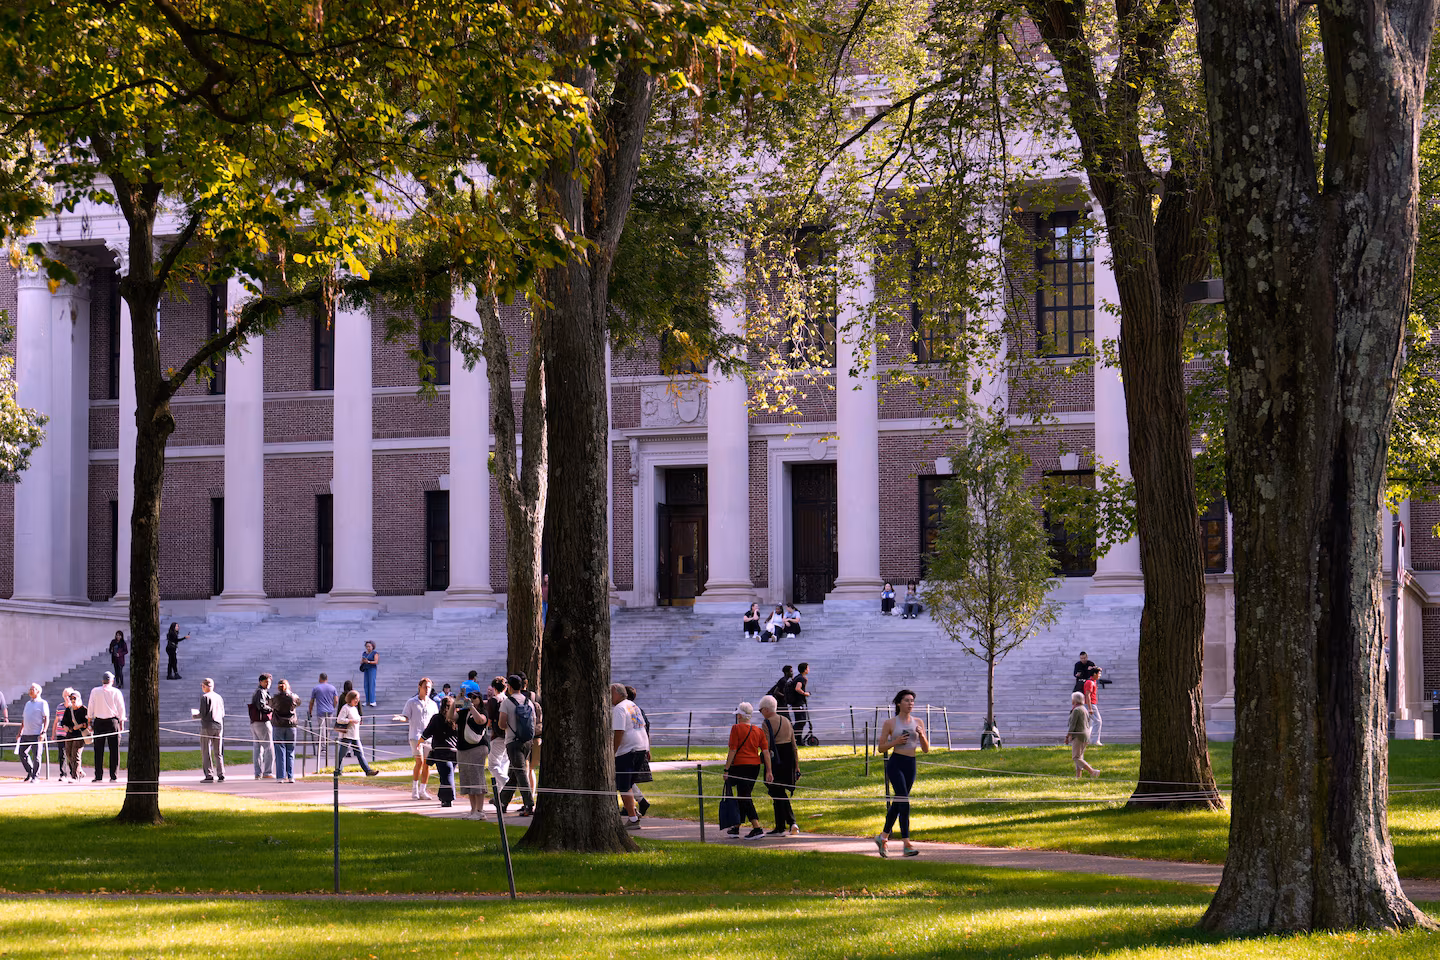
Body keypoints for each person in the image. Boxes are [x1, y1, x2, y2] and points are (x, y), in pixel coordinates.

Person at [874, 688, 930, 858]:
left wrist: (921, 735)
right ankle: (906, 843)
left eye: (912, 701)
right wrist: (895, 741)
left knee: (898, 802)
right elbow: (880, 748)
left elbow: (926, 749)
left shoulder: (918, 722)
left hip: (910, 764)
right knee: (904, 802)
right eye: (907, 700)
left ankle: (883, 837)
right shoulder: (890, 723)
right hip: (896, 763)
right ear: (899, 703)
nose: (910, 703)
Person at [722, 701, 770, 840]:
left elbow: (733, 750)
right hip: (754, 767)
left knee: (744, 797)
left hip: (740, 766)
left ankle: (757, 828)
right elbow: (765, 751)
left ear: (740, 716)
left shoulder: (736, 728)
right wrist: (769, 770)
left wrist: (726, 769)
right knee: (743, 795)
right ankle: (736, 827)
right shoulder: (758, 730)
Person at [610, 683, 651, 829]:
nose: (608, 697)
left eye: (610, 693)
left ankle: (633, 820)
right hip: (640, 748)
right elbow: (643, 726)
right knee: (628, 784)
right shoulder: (633, 706)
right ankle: (634, 811)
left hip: (627, 751)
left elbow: (619, 732)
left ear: (616, 693)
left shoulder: (619, 708)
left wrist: (613, 751)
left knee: (624, 786)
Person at [758, 695, 800, 836]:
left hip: (776, 759)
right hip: (789, 758)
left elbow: (766, 748)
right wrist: (797, 766)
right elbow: (794, 745)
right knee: (779, 792)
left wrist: (769, 770)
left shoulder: (766, 723)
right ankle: (782, 826)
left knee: (777, 791)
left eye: (761, 710)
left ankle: (789, 823)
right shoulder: (787, 720)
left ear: (766, 709)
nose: (761, 713)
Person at [498, 674, 538, 816]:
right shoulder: (529, 702)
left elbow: (502, 724)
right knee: (515, 773)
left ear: (509, 687)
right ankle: (501, 802)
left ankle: (529, 804)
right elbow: (533, 721)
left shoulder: (507, 702)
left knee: (520, 772)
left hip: (513, 741)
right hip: (527, 741)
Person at [456, 692, 491, 819]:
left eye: (474, 697)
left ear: (480, 699)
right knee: (467, 779)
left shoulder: (482, 712)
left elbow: (480, 720)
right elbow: (450, 717)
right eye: (469, 697)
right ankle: (473, 810)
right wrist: (456, 701)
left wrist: (471, 707)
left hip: (477, 748)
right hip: (463, 749)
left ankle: (480, 811)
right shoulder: (463, 712)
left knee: (476, 778)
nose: (471, 699)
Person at [421, 696, 460, 807]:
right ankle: (443, 797)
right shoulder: (456, 718)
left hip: (440, 750)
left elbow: (427, 732)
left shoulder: (436, 718)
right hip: (454, 751)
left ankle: (448, 799)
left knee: (446, 775)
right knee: (447, 774)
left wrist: (420, 741)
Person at [87, 671, 126, 782]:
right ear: (112, 681)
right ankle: (114, 776)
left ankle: (98, 776)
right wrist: (121, 722)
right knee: (114, 750)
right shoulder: (116, 692)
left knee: (98, 750)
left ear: (102, 680)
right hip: (112, 722)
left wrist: (89, 721)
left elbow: (91, 706)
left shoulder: (95, 691)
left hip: (99, 721)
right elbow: (121, 708)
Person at [404, 678, 439, 800]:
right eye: (425, 687)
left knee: (427, 764)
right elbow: (406, 716)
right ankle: (414, 790)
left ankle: (423, 790)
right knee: (419, 762)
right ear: (419, 687)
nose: (427, 689)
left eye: (429, 687)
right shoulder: (411, 702)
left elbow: (436, 720)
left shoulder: (433, 704)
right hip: (415, 736)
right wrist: (401, 718)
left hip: (428, 738)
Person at [334, 690, 380, 776]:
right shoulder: (345, 708)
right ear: (350, 699)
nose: (357, 701)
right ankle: (337, 771)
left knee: (360, 754)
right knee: (341, 755)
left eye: (358, 699)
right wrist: (350, 720)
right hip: (347, 736)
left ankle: (368, 771)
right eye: (355, 699)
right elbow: (339, 720)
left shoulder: (354, 708)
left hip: (355, 736)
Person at [624, 685, 652, 816]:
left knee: (624, 779)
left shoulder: (628, 710)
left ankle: (635, 805)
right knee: (626, 779)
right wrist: (647, 748)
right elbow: (646, 729)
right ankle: (634, 805)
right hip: (640, 747)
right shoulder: (637, 710)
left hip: (630, 749)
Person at [484, 676, 511, 815]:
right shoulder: (508, 700)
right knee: (503, 765)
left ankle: (507, 785)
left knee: (493, 765)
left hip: (497, 736)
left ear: (494, 688)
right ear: (505, 688)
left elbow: (489, 721)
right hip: (509, 736)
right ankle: (501, 798)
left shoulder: (494, 700)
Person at [54, 688, 88, 783]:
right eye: (71, 698)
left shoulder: (83, 709)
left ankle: (75, 776)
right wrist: (65, 727)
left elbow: (87, 723)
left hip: (80, 735)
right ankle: (79, 771)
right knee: (69, 754)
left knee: (75, 755)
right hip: (69, 734)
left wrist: (80, 726)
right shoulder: (69, 709)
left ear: (79, 699)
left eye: (74, 698)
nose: (73, 700)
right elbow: (63, 722)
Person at [271, 678, 301, 783]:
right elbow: (299, 702)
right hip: (291, 725)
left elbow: (270, 705)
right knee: (290, 751)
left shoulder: (275, 698)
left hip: (278, 725)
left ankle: (280, 776)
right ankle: (291, 776)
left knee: (279, 751)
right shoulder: (293, 696)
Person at [18, 683, 49, 782]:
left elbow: (46, 718)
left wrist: (44, 731)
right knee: (21, 753)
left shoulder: (43, 703)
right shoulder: (27, 703)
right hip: (26, 733)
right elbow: (24, 718)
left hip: (37, 734)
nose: (30, 691)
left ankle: (36, 776)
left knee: (37, 756)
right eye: (30, 689)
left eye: (33, 689)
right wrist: (20, 731)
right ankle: (30, 771)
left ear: (38, 691)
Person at [198, 678, 226, 782]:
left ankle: (209, 775)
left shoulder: (205, 697)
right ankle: (221, 774)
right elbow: (223, 713)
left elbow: (203, 713)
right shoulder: (219, 697)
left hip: (207, 726)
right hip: (219, 726)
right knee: (218, 752)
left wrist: (195, 715)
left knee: (206, 751)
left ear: (204, 686)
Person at [1066, 691, 1098, 778]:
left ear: (1075, 700)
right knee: (1080, 757)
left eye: (1072, 699)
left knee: (1076, 758)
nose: (1071, 700)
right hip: (1085, 735)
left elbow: (1072, 725)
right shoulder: (1083, 708)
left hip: (1078, 736)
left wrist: (1067, 736)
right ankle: (1078, 777)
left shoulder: (1076, 710)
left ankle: (1092, 771)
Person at [248, 673, 275, 780]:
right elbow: (261, 706)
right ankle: (267, 772)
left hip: (255, 722)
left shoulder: (259, 692)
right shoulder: (260, 692)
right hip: (262, 722)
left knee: (258, 748)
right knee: (269, 747)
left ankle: (258, 773)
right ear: (261, 682)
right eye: (266, 682)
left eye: (269, 682)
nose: (268, 684)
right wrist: (272, 709)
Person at [308, 673, 338, 748]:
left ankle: (323, 746)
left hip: (320, 711)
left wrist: (310, 711)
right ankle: (326, 743)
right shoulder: (332, 688)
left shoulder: (316, 688)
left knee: (322, 728)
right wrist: (333, 707)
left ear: (320, 678)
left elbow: (312, 701)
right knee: (328, 728)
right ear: (326, 679)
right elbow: (336, 700)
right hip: (330, 711)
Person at [790, 662, 812, 742]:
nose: (809, 669)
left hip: (798, 703)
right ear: (805, 670)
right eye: (808, 668)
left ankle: (798, 739)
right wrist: (805, 693)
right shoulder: (800, 678)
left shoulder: (800, 677)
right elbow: (797, 688)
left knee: (801, 721)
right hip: (798, 703)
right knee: (801, 721)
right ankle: (793, 738)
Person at [1083, 667, 1103, 746]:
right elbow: (1087, 695)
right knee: (1098, 721)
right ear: (1094, 674)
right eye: (1099, 673)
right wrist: (1090, 708)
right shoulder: (1089, 682)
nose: (1100, 675)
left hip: (1092, 704)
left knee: (1090, 723)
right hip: (1090, 704)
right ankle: (1094, 741)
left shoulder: (1093, 682)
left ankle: (1088, 740)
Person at [359, 641, 379, 706]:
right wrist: (363, 661)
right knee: (366, 685)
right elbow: (361, 661)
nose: (368, 648)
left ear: (372, 647)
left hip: (372, 669)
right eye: (367, 646)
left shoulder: (375, 653)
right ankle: (367, 700)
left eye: (369, 646)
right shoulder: (364, 653)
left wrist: (369, 662)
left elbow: (376, 662)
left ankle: (372, 701)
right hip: (366, 669)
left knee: (371, 684)